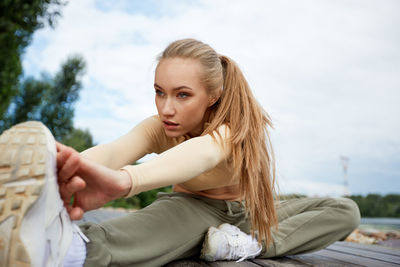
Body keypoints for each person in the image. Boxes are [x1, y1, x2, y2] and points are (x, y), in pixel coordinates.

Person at [0, 39, 360, 267]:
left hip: (248, 214)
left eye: (182, 94)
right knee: (150, 226)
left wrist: (126, 182)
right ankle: (66, 250)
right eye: (160, 92)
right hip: (192, 208)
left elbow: (202, 153)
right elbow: (115, 151)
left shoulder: (232, 129)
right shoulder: (158, 126)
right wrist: (64, 166)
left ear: (213, 96)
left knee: (344, 210)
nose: (166, 108)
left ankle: (245, 246)